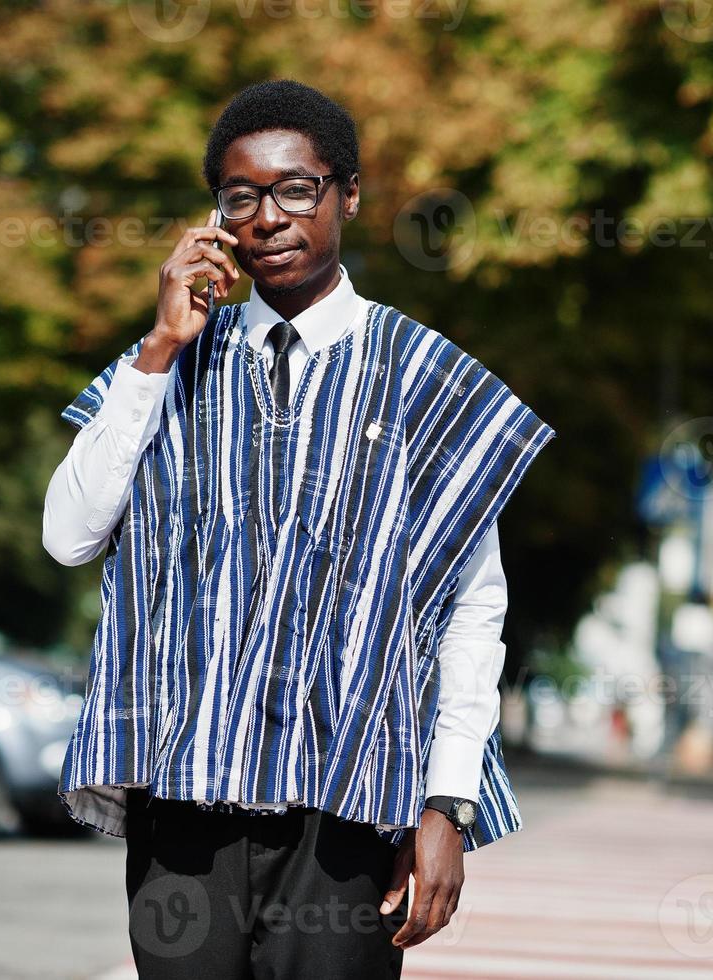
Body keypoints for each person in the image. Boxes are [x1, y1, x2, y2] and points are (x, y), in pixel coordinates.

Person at [40, 80, 555, 979]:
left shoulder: (425, 380)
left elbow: (472, 613)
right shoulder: (162, 368)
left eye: (295, 189)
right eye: (240, 196)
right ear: (216, 216)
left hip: (349, 812)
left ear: (346, 194)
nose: (268, 216)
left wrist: (448, 805)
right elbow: (68, 536)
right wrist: (159, 349)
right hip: (183, 804)